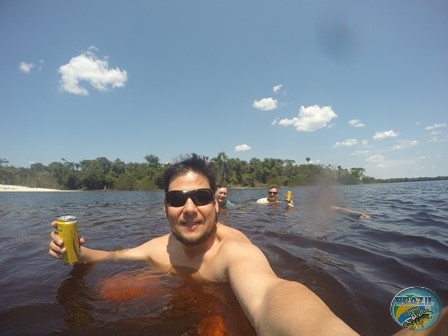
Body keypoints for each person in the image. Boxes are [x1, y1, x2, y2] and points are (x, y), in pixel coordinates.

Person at [48, 154, 447, 335]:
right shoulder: (158, 248)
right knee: (106, 288)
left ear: (217, 205)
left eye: (201, 198)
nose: (189, 208)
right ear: (165, 208)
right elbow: (114, 256)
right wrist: (80, 253)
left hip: (225, 307)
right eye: (176, 199)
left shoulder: (234, 252)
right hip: (180, 291)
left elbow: (273, 296)